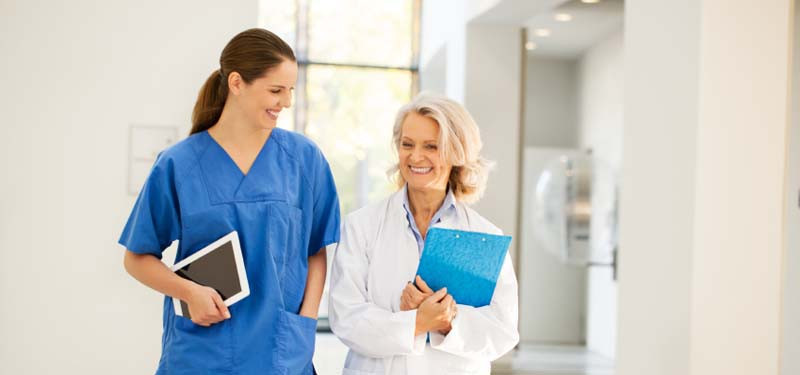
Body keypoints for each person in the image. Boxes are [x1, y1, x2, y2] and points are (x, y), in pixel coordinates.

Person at [119, 28, 339, 374]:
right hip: (201, 352)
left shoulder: (304, 159)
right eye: (276, 90)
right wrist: (188, 292)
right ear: (236, 83)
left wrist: (306, 325)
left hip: (280, 353)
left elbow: (316, 251)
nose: (286, 102)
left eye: (291, 90)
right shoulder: (179, 164)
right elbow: (136, 258)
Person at [328, 93, 519, 374]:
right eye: (407, 144)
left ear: (457, 152)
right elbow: (346, 317)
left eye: (431, 146)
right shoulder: (362, 226)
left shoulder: (483, 234)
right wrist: (417, 322)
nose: (416, 157)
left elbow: (503, 331)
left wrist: (447, 320)